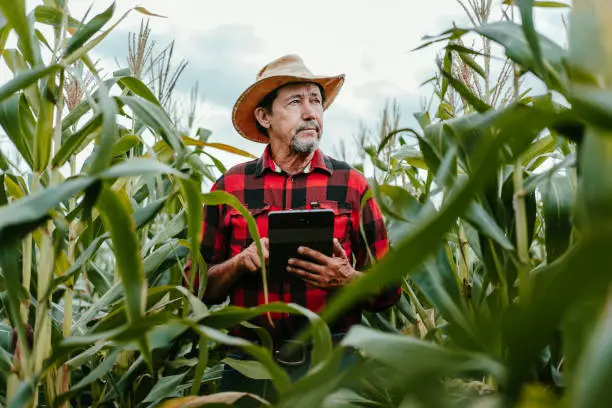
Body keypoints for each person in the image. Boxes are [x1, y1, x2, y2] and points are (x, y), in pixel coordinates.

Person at [196, 54, 400, 403]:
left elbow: (389, 289)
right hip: (250, 365)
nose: (311, 113)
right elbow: (196, 289)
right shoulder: (230, 187)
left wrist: (347, 278)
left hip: (333, 365)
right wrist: (241, 262)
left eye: (316, 101)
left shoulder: (351, 185)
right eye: (295, 101)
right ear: (265, 117)